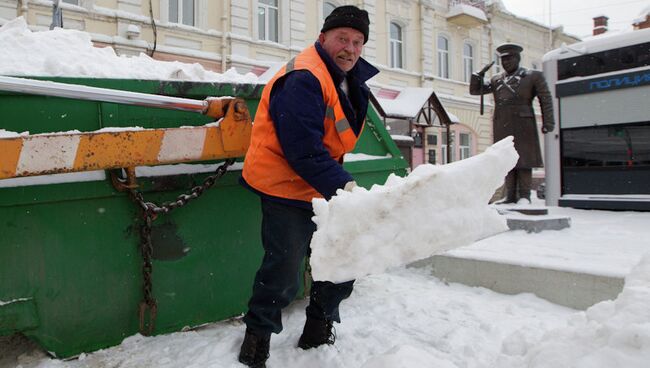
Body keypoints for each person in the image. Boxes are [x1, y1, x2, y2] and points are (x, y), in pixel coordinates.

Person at [237, 5, 378, 367]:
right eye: (342, 38)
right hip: (284, 183)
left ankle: (319, 324)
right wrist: (345, 188)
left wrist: (338, 186)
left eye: (358, 42)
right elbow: (302, 149)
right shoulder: (304, 77)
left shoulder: (346, 77)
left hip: (321, 181)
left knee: (343, 258)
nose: (350, 48)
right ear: (323, 38)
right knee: (283, 269)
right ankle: (258, 338)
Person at [469, 43, 554, 204]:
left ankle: (524, 196)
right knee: (506, 159)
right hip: (502, 122)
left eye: (509, 59)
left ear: (518, 59)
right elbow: (475, 90)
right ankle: (510, 196)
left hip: (524, 122)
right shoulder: (496, 80)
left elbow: (546, 98)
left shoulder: (532, 76)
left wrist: (548, 121)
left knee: (524, 160)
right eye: (503, 60)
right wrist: (478, 75)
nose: (506, 63)